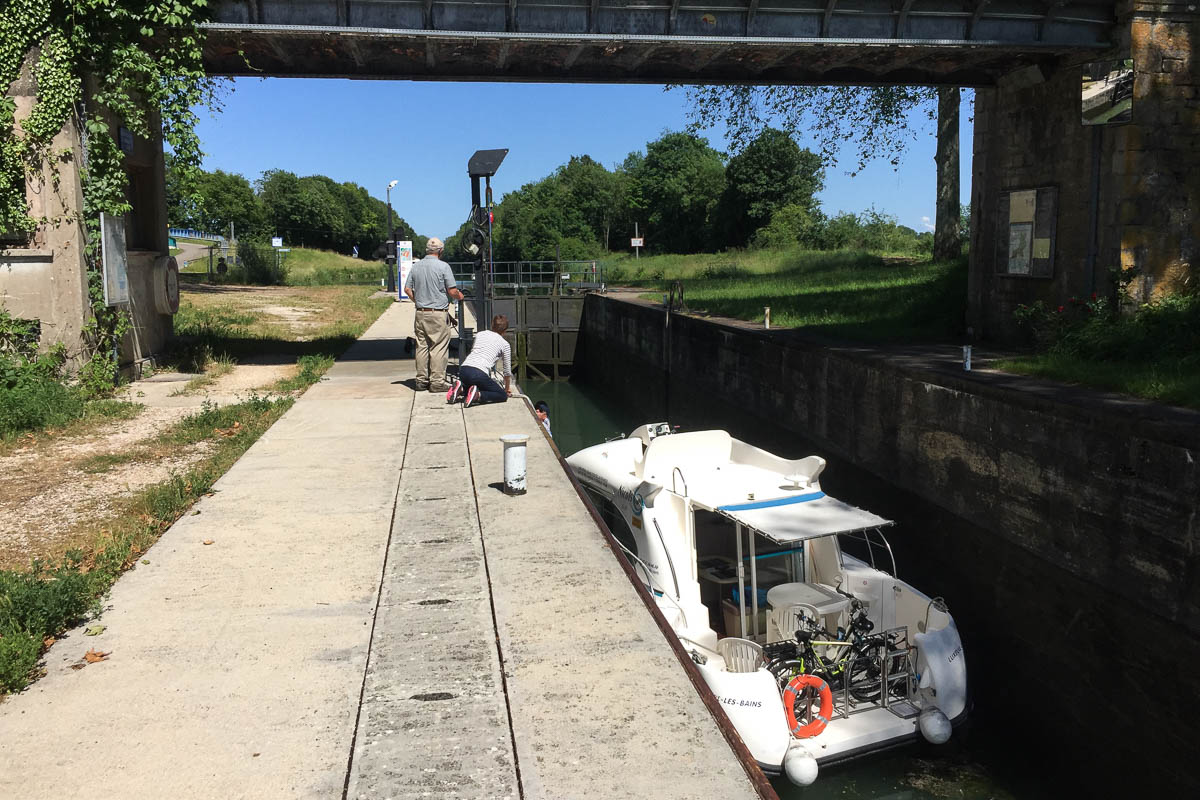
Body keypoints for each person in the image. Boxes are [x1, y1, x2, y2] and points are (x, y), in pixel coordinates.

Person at [404, 237, 463, 393]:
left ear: (427, 250)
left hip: (420, 313)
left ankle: (421, 381)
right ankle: (437, 382)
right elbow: (452, 291)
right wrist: (459, 296)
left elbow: (407, 289)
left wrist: (419, 302)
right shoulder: (444, 267)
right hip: (438, 314)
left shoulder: (416, 267)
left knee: (421, 347)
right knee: (438, 347)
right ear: (440, 251)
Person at [448, 315, 513, 407]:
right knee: (501, 395)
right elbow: (507, 371)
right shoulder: (505, 344)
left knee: (473, 385)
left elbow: (474, 350)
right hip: (479, 373)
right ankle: (477, 395)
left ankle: (461, 389)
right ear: (505, 330)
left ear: (492, 325)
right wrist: (506, 389)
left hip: (464, 369)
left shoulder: (480, 334)